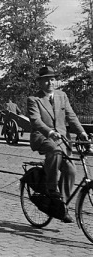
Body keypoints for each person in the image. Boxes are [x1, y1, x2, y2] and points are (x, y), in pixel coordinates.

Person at [27, 66, 88, 223]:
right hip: (43, 137)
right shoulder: (34, 99)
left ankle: (61, 206)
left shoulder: (62, 96)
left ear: (56, 81)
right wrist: (49, 132)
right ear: (40, 82)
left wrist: (81, 132)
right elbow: (36, 120)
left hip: (62, 139)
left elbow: (71, 116)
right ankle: (51, 189)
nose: (50, 82)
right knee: (54, 150)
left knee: (71, 170)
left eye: (52, 79)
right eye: (46, 79)